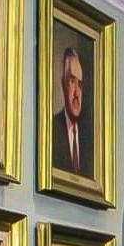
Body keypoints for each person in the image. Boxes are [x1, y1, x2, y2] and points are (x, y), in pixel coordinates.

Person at [51, 47, 91, 176]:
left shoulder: (89, 139)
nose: (76, 93)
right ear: (63, 84)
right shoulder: (52, 130)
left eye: (79, 84)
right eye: (72, 81)